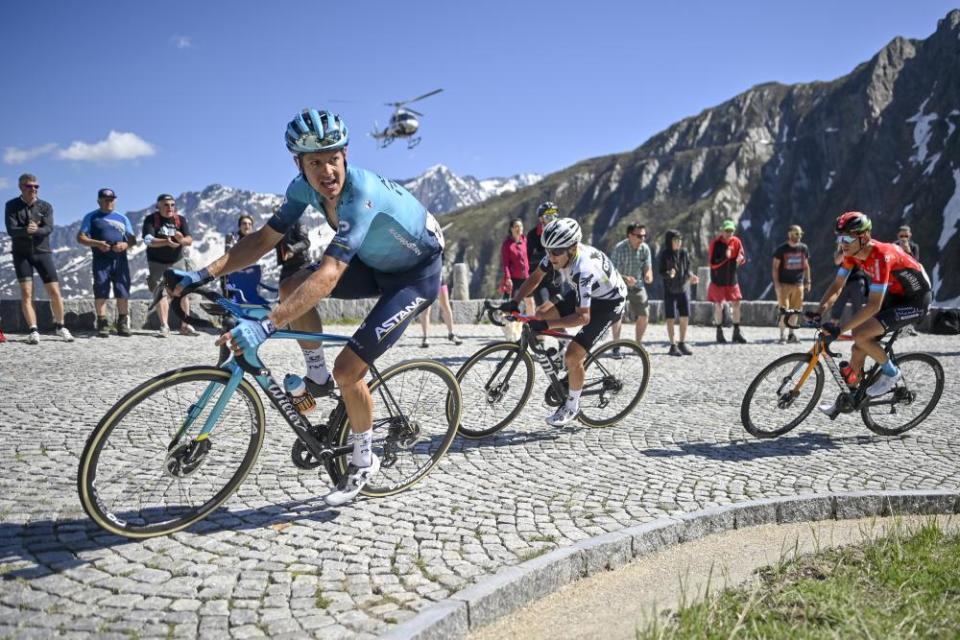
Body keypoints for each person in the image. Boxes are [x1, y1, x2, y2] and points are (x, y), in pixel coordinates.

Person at [170, 108, 445, 506]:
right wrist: (201, 274)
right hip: (374, 264)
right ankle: (317, 377)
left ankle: (363, 459)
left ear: (345, 155)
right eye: (315, 162)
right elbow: (264, 239)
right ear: (298, 163)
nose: (326, 171)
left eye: (332, 159)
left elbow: (331, 273)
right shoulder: (301, 189)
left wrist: (266, 325)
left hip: (415, 276)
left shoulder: (361, 196)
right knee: (291, 283)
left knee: (349, 369)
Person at [508, 218, 627, 426]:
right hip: (592, 292)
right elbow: (535, 277)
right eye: (548, 251)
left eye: (555, 252)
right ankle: (564, 351)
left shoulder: (583, 269)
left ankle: (572, 405)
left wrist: (546, 327)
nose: (550, 256)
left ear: (571, 249)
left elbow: (583, 317)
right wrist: (513, 302)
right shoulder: (557, 252)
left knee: (573, 356)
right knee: (543, 312)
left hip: (609, 303)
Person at [816, 211, 931, 416]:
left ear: (864, 237)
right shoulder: (851, 255)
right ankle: (850, 397)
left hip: (916, 300)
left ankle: (891, 373)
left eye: (848, 238)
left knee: (860, 334)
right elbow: (837, 285)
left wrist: (839, 329)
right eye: (840, 237)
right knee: (857, 348)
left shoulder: (881, 255)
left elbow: (873, 306)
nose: (843, 243)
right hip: (895, 296)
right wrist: (818, 311)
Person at [4, 173, 72, 344]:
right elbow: (11, 229)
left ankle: (61, 326)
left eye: (36, 186)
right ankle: (33, 330)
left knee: (55, 292)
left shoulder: (45, 206)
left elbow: (49, 228)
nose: (33, 189)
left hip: (43, 252)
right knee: (27, 293)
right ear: (21, 187)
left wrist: (37, 230)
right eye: (29, 186)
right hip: (21, 254)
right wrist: (26, 230)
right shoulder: (11, 205)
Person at [77, 188, 137, 337]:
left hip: (120, 259)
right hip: (101, 259)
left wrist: (125, 245)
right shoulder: (91, 217)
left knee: (122, 289)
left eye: (111, 199)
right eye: (106, 200)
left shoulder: (122, 218)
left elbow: (132, 239)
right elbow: (80, 237)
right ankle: (102, 322)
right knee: (101, 288)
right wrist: (97, 243)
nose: (109, 202)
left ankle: (122, 323)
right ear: (99, 201)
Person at [143, 194, 199, 337]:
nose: (170, 208)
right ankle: (164, 326)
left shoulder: (180, 220)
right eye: (166, 204)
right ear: (158, 206)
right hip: (157, 262)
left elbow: (189, 239)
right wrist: (166, 242)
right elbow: (148, 240)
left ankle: (185, 325)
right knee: (160, 292)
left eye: (172, 205)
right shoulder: (151, 220)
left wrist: (181, 241)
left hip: (177, 261)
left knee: (182, 291)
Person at [610, 222, 653, 351]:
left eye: (644, 236)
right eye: (639, 236)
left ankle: (637, 345)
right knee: (617, 314)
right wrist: (625, 278)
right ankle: (616, 345)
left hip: (637, 285)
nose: (642, 239)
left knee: (644, 314)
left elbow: (648, 267)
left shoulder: (645, 249)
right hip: (619, 284)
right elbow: (611, 271)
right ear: (630, 235)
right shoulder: (619, 248)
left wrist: (648, 276)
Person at [658, 229, 699, 356]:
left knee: (685, 316)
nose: (678, 243)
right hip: (670, 290)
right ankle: (672, 345)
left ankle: (682, 342)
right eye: (675, 240)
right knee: (670, 318)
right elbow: (661, 272)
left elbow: (687, 269)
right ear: (669, 241)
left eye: (680, 240)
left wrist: (691, 276)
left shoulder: (684, 253)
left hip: (683, 289)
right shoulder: (664, 254)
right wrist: (668, 274)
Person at [708, 219, 747, 344]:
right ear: (722, 231)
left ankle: (736, 331)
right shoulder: (716, 243)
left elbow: (741, 256)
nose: (729, 233)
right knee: (719, 306)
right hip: (718, 280)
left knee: (737, 303)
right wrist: (726, 256)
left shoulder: (736, 242)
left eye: (731, 231)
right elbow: (712, 264)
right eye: (727, 231)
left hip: (731, 279)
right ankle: (719, 332)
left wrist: (741, 259)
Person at [772, 225, 811, 344]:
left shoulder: (803, 248)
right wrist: (777, 284)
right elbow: (775, 267)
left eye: (800, 234)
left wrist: (808, 281)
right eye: (796, 234)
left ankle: (791, 334)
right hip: (784, 285)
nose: (799, 236)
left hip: (798, 284)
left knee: (796, 310)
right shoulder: (781, 250)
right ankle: (782, 336)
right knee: (784, 310)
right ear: (789, 234)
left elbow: (806, 265)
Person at [224, 215, 276, 305]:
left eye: (249, 224)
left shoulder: (255, 240)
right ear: (239, 226)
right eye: (244, 223)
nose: (247, 226)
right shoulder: (233, 238)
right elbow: (228, 257)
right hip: (236, 277)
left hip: (251, 278)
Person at [526, 201, 561, 306]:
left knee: (559, 304)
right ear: (540, 218)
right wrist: (545, 256)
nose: (552, 218)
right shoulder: (533, 234)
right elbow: (528, 257)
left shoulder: (560, 231)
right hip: (539, 276)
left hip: (556, 275)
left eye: (554, 214)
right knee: (541, 305)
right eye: (548, 216)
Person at [417, 267, 463, 348]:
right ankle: (425, 337)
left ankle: (451, 334)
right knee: (426, 308)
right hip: (426, 278)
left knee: (445, 305)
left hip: (439, 277)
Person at [829, 242, 869, 324]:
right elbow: (837, 261)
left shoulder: (858, 250)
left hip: (857, 280)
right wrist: (841, 250)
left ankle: (856, 330)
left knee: (857, 307)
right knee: (837, 306)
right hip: (843, 282)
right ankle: (832, 328)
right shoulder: (840, 252)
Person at [500, 218, 534, 312]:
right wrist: (508, 278)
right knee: (513, 304)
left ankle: (531, 324)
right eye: (516, 226)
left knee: (530, 303)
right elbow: (505, 264)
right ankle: (510, 325)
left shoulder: (525, 241)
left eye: (521, 226)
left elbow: (530, 258)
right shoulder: (507, 244)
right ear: (511, 229)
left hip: (527, 277)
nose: (519, 228)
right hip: (514, 279)